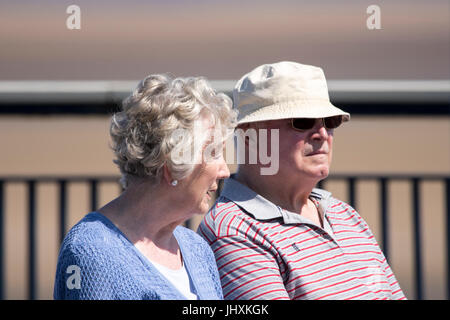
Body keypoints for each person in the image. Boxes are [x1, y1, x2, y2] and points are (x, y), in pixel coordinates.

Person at [198, 61, 406, 300]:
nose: (322, 134)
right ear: (250, 137)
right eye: (303, 121)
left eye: (330, 121)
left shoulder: (344, 215)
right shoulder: (234, 231)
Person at [54, 74, 236, 299]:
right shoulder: (92, 251)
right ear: (173, 163)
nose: (225, 170)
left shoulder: (198, 250)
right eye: (214, 152)